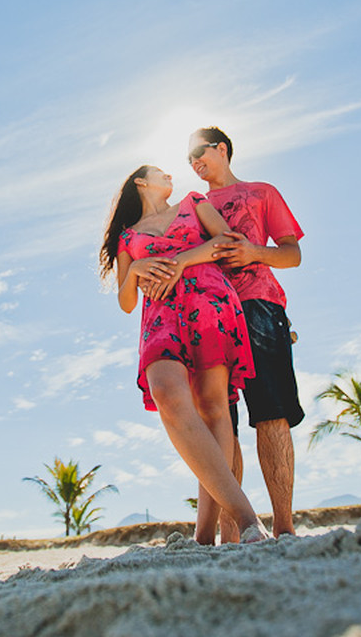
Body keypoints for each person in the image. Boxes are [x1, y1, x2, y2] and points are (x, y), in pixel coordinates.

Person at [100, 165, 269, 545]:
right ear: (141, 182)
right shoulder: (128, 237)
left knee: (214, 407)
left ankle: (208, 532)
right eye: (160, 172)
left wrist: (180, 265)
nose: (170, 175)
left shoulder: (194, 202)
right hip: (160, 315)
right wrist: (137, 269)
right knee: (167, 395)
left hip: (209, 299)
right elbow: (127, 302)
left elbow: (225, 241)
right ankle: (247, 515)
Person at [188, 127, 305, 540]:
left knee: (272, 414)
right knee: (219, 423)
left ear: (221, 149)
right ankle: (233, 534)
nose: (194, 162)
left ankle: (285, 528)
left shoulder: (261, 193)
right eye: (188, 160)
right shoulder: (193, 205)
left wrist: (254, 252)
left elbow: (293, 254)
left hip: (260, 305)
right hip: (210, 316)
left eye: (198, 152)